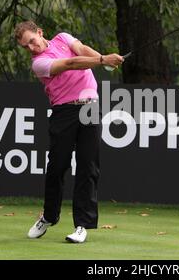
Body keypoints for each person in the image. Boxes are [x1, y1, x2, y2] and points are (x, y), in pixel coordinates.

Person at [14, 20, 123, 243]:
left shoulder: (63, 37)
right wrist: (103, 60)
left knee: (88, 167)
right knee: (57, 167)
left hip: (90, 106)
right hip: (64, 112)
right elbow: (72, 63)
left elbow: (81, 50)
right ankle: (49, 217)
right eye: (26, 47)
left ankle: (82, 225)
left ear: (40, 33)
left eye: (32, 42)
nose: (31, 49)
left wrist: (104, 60)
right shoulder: (39, 63)